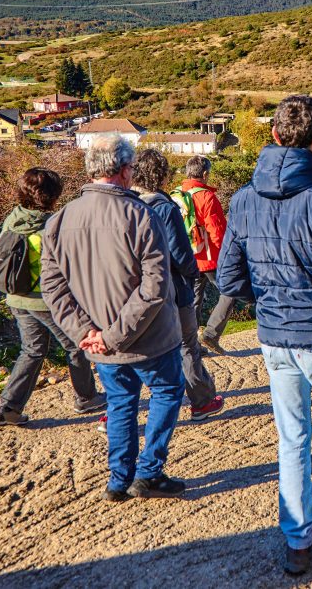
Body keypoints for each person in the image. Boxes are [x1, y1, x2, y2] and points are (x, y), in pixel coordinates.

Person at [217, 95, 312, 575]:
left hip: (274, 336)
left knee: (293, 438)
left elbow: (229, 280)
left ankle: (298, 542)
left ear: (273, 135)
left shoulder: (243, 199)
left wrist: (267, 298)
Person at [42, 135, 185, 502]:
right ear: (123, 171)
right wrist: (114, 335)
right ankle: (149, 472)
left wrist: (88, 333)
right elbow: (155, 287)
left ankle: (119, 479)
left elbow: (53, 289)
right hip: (149, 338)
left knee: (121, 402)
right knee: (167, 392)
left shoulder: (60, 220)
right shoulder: (142, 215)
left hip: (98, 344)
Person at [0, 168, 106, 426]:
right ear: (53, 195)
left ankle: (7, 408)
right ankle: (86, 397)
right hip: (45, 300)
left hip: (16, 296)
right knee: (76, 344)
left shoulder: (13, 218)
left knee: (32, 349)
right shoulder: (53, 225)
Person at [132, 149, 224, 421]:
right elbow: (181, 253)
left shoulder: (126, 204)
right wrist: (192, 270)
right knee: (187, 344)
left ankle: (117, 412)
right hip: (174, 282)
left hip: (134, 289)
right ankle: (202, 401)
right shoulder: (165, 206)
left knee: (132, 351)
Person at [175, 155, 233, 356]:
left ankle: (190, 343)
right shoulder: (206, 197)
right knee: (231, 290)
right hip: (209, 257)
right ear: (205, 174)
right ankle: (211, 333)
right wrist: (228, 254)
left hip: (188, 256)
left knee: (194, 299)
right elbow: (217, 232)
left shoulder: (178, 194)